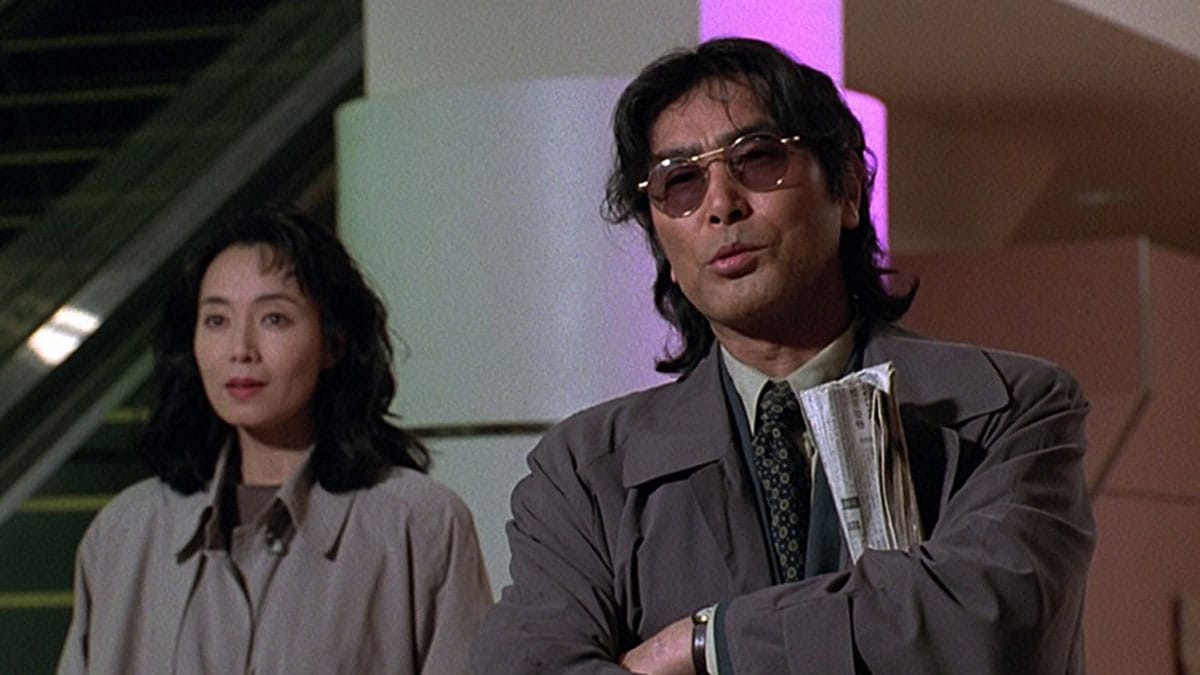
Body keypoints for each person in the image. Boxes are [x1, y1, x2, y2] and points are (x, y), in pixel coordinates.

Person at [471, 38, 1094, 674]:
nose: (721, 205)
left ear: (848, 189)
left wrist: (708, 643)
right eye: (680, 182)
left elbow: (988, 621)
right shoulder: (586, 469)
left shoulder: (1009, 407)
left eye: (757, 158)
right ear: (661, 242)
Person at [59, 206, 493, 674]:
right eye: (217, 320)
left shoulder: (417, 525)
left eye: (274, 319)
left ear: (333, 343)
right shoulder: (125, 533)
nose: (240, 349)